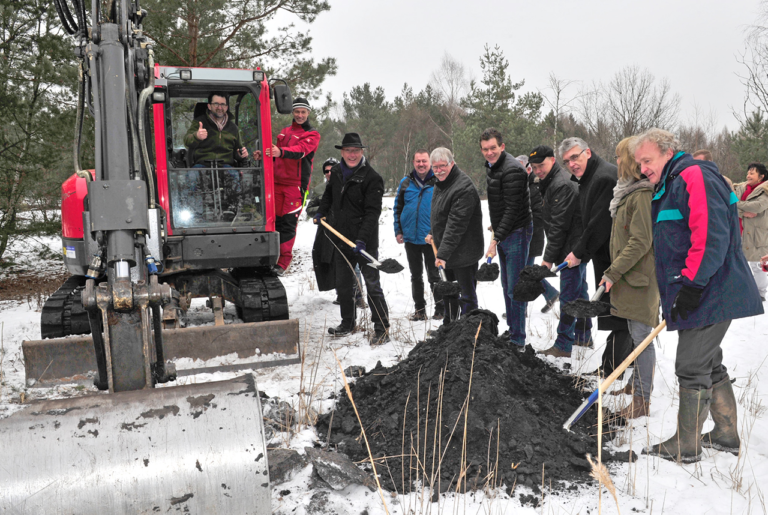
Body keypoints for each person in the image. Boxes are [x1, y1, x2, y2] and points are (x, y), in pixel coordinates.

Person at [634, 128, 763, 463]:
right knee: (708, 361)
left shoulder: (694, 176)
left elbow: (710, 236)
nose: (643, 168)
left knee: (691, 365)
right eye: (639, 163)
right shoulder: (669, 184)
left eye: (647, 160)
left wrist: (691, 285)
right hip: (698, 289)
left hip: (711, 288)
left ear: (666, 151)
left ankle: (686, 444)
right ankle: (724, 433)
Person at [560, 137, 632, 372]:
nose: (571, 164)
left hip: (615, 255)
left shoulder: (602, 178)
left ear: (588, 153)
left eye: (575, 157)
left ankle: (613, 368)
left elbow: (599, 223)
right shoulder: (589, 178)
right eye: (567, 161)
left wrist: (579, 253)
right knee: (614, 309)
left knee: (618, 310)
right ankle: (617, 365)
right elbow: (586, 221)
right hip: (606, 251)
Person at [600, 137, 659, 420]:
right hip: (631, 278)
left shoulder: (642, 194)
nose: (618, 162)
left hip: (640, 280)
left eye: (620, 157)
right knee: (637, 337)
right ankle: (634, 386)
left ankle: (642, 400)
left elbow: (640, 242)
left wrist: (613, 271)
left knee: (641, 340)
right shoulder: (627, 193)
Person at [314, 133, 390, 345]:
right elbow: (329, 194)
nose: (352, 154)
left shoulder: (372, 178)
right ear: (342, 152)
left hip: (365, 244)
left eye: (356, 151)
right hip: (342, 239)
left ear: (362, 152)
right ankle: (348, 323)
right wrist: (321, 212)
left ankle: (382, 328)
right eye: (348, 151)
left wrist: (362, 240)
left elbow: (372, 213)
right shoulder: (337, 172)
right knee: (344, 285)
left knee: (372, 285)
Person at [528, 145, 589, 358]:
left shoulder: (561, 184)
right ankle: (584, 334)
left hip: (571, 247)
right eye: (534, 167)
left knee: (570, 295)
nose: (538, 170)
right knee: (579, 290)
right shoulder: (552, 181)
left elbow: (558, 226)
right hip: (574, 244)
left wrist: (547, 259)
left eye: (541, 165)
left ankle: (563, 344)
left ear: (552, 160)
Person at [480, 129, 532, 348]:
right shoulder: (495, 168)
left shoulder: (511, 170)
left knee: (515, 288)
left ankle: (518, 339)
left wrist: (495, 239)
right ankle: (512, 330)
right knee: (506, 285)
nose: (489, 152)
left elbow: (512, 209)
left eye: (493, 148)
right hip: (505, 231)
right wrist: (497, 227)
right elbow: (501, 204)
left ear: (502, 146)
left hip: (517, 233)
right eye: (485, 149)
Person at [261, 97, 320, 276]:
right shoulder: (284, 131)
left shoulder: (312, 134)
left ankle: (284, 261)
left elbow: (301, 151)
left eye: (303, 112)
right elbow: (275, 155)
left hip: (295, 187)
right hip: (276, 184)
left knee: (288, 224)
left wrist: (281, 151)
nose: (300, 115)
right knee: (274, 222)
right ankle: (271, 258)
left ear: (308, 113)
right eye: (297, 111)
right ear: (292, 112)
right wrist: (264, 154)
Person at [425, 147, 484, 324]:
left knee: (466, 295)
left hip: (465, 252)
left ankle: (469, 330)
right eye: (434, 167)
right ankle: (449, 328)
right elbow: (439, 214)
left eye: (442, 166)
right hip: (448, 250)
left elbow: (456, 225)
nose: (438, 170)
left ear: (452, 163)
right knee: (449, 292)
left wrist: (442, 254)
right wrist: (432, 232)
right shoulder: (441, 182)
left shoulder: (463, 187)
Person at [393, 149, 444, 321]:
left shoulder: (438, 182)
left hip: (431, 239)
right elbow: (398, 208)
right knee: (416, 276)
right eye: (418, 161)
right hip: (410, 238)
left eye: (424, 161)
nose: (421, 164)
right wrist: (398, 230)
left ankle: (440, 309)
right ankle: (420, 310)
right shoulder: (405, 183)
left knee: (434, 276)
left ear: (429, 162)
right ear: (413, 163)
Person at [517, 153, 559, 313]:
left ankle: (525, 306)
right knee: (526, 271)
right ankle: (549, 294)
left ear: (528, 169)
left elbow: (538, 216)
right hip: (526, 237)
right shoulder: (524, 187)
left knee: (525, 272)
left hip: (531, 238)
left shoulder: (534, 188)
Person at [184, 92, 249, 166]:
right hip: (202, 165)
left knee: (237, 176)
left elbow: (238, 151)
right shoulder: (199, 122)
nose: (220, 108)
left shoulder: (233, 128)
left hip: (226, 166)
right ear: (209, 106)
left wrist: (241, 155)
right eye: (216, 104)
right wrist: (197, 136)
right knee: (191, 176)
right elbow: (186, 140)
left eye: (223, 104)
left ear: (226, 107)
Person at [733, 162, 768, 301]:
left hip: (757, 234)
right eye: (748, 173)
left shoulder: (765, 190)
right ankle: (742, 290)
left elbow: (758, 206)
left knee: (757, 264)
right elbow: (729, 205)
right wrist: (743, 212)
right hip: (739, 230)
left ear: (761, 177)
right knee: (738, 263)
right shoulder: (740, 188)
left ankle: (760, 293)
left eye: (752, 173)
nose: (748, 175)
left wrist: (738, 208)